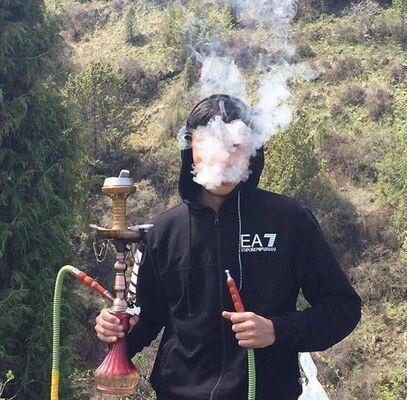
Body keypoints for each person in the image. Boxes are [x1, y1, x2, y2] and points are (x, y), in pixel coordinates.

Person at [95, 94, 361, 400]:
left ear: (253, 150)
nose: (222, 155)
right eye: (209, 143)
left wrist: (276, 330)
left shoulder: (290, 220)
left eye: (235, 144)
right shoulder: (161, 232)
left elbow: (343, 309)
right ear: (190, 149)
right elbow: (142, 323)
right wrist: (115, 330)